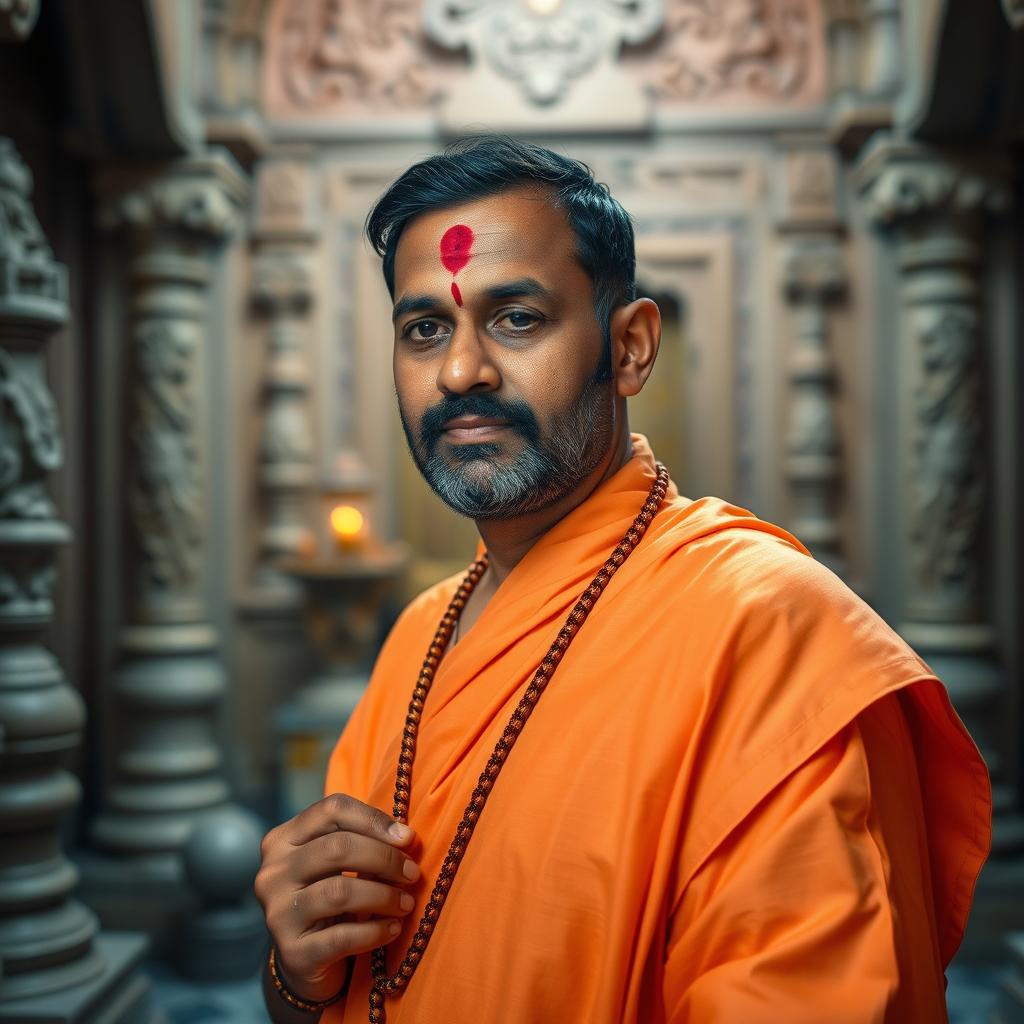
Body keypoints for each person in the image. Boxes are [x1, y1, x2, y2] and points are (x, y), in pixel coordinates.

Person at [255, 136, 991, 1024]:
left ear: (632, 347)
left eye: (517, 318)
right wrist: (298, 975)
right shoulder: (421, 632)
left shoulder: (768, 627)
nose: (460, 372)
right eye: (425, 329)